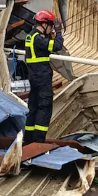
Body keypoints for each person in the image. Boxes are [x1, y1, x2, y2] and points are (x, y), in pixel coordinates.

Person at [24, 10, 63, 145]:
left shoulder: (31, 36)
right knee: (44, 108)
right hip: (42, 77)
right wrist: (58, 32)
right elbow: (57, 46)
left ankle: (28, 141)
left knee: (33, 108)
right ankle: (38, 143)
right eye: (51, 25)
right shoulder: (38, 38)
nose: (52, 28)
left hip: (34, 78)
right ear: (45, 24)